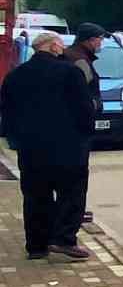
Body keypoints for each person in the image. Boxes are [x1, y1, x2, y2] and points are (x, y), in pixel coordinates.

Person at [0, 32, 96, 261]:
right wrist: (86, 136)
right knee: (71, 193)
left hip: (30, 148)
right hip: (68, 146)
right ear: (53, 46)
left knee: (35, 195)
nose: (62, 49)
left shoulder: (15, 75)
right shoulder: (70, 73)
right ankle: (63, 239)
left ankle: (36, 245)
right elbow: (84, 110)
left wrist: (16, 140)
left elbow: (6, 112)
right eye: (60, 45)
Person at [63, 23, 106, 228]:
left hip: (70, 127)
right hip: (77, 128)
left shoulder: (74, 55)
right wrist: (95, 105)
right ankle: (72, 218)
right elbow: (84, 95)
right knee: (76, 176)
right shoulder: (79, 61)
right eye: (99, 39)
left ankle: (74, 212)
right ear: (89, 40)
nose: (101, 43)